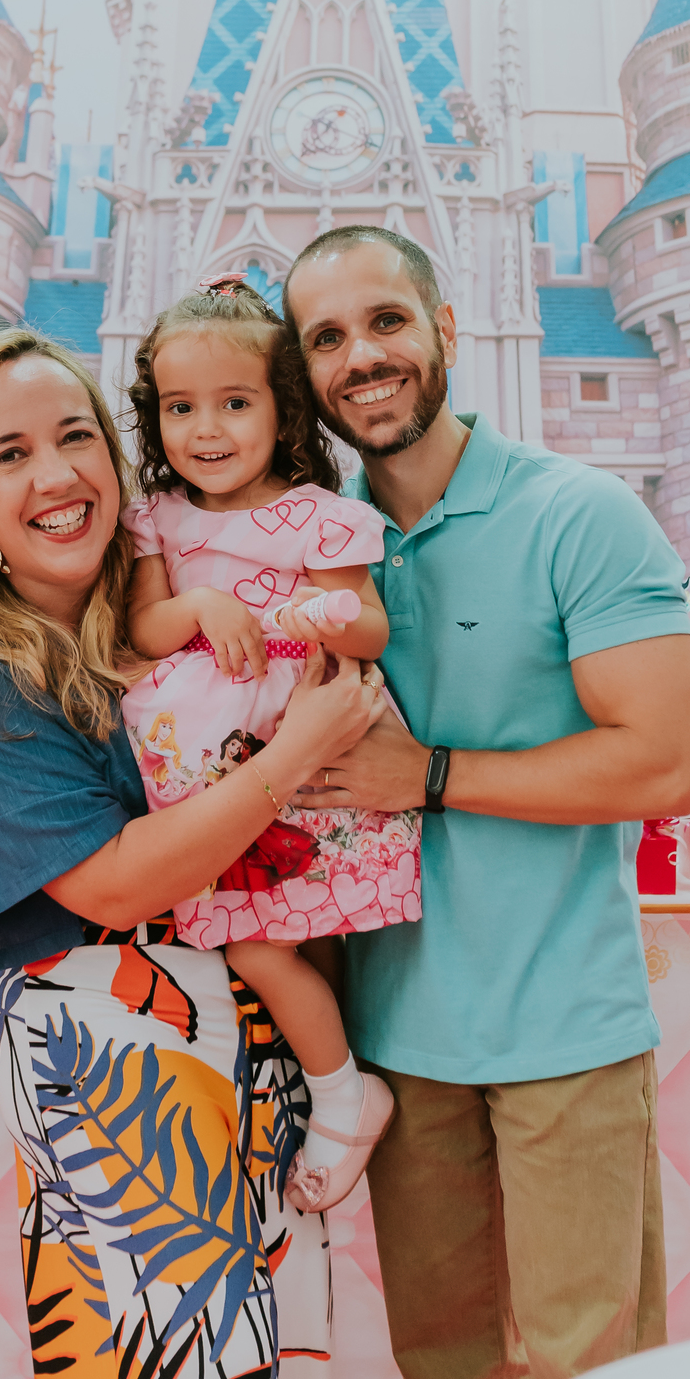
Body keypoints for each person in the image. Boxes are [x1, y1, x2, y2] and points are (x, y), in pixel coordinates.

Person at [0, 324, 382, 1379]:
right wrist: (290, 757)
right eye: (9, 455)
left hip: (240, 1052)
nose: (55, 475)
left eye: (74, 438)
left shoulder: (145, 631)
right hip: (118, 1070)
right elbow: (112, 883)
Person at [282, 224, 690, 1379]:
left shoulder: (579, 514)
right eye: (328, 338)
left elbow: (662, 762)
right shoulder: (317, 557)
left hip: (564, 1029)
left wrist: (434, 775)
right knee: (450, 1364)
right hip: (400, 1045)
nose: (364, 356)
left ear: (444, 329)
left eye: (386, 321)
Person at [122, 273, 419, 1211]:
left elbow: (371, 628)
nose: (205, 428)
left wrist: (317, 608)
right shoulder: (157, 519)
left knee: (277, 950)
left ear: (283, 409)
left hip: (310, 757)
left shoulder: (321, 517)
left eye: (234, 402)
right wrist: (203, 605)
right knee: (239, 952)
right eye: (181, 406)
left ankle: (340, 1096)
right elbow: (141, 631)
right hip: (210, 771)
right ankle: (320, 1094)